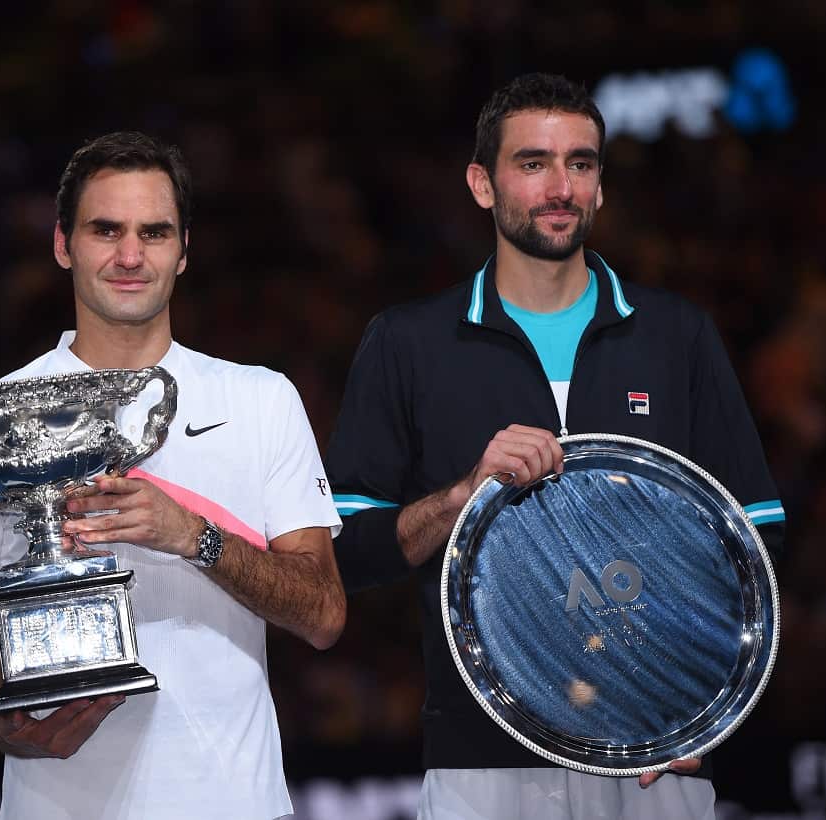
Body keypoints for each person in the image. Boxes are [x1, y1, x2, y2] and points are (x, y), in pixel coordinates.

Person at [325, 73, 786, 819]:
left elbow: (755, 537)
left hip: (655, 756)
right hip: (484, 757)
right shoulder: (409, 343)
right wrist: (461, 496)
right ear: (482, 184)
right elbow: (347, 550)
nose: (561, 187)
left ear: (601, 185)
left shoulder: (677, 335)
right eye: (533, 163)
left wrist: (708, 704)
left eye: (581, 163)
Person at [0, 131, 346, 819]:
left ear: (184, 250)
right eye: (105, 230)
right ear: (63, 244)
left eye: (154, 232)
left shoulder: (261, 400)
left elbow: (324, 613)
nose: (129, 255)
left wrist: (194, 537)